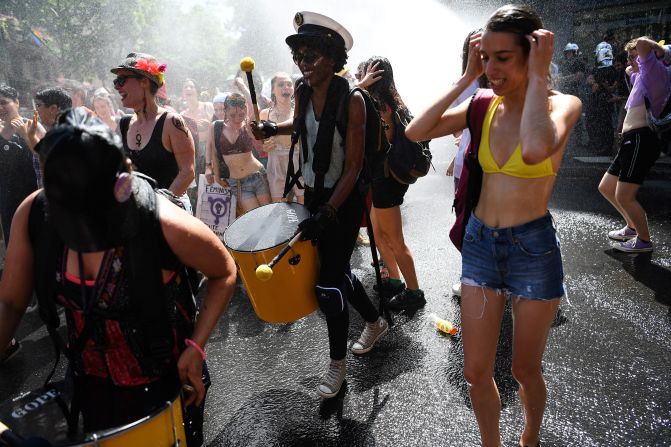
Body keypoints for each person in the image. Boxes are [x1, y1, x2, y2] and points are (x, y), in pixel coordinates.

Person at [0, 109, 236, 445]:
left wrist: (196, 349)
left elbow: (224, 270)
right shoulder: (34, 214)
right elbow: (9, 303)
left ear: (122, 180)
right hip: (88, 383)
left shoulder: (162, 222)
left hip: (167, 381)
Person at [405, 5, 582, 446]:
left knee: (524, 369)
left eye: (503, 57)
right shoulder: (482, 103)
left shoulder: (563, 105)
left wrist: (539, 75)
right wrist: (466, 80)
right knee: (475, 371)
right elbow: (415, 131)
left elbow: (538, 147)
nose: (491, 68)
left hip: (532, 250)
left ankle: (530, 437)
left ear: (532, 52)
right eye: (486, 56)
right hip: (481, 244)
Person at [252, 11, 389, 399]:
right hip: (313, 195)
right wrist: (271, 128)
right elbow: (302, 124)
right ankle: (375, 321)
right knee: (337, 269)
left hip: (342, 201)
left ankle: (337, 367)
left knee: (327, 284)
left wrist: (328, 212)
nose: (303, 62)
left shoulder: (355, 100)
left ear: (333, 57)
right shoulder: (302, 90)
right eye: (299, 55)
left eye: (311, 55)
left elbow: (354, 166)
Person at [355, 56, 424, 310]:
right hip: (383, 179)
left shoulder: (377, 105)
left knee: (395, 239)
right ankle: (395, 280)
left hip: (386, 182)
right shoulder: (391, 101)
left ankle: (415, 292)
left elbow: (373, 142)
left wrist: (360, 87)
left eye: (362, 71)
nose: (356, 74)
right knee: (378, 233)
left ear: (373, 75)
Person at [598, 37, 671, 253]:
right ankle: (631, 226)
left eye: (633, 56)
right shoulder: (639, 75)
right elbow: (631, 70)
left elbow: (642, 44)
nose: (629, 61)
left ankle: (644, 241)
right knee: (606, 187)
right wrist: (634, 62)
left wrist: (660, 51)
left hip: (642, 139)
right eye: (628, 57)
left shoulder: (656, 73)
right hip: (631, 140)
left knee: (624, 195)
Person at [112, 52, 196, 212]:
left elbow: (188, 171)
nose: (117, 86)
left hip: (170, 214)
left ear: (144, 81)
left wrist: (156, 208)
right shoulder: (123, 124)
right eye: (116, 81)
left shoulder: (171, 121)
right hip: (136, 215)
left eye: (122, 80)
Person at [446, 31, 489, 299]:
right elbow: (448, 123)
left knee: (489, 226)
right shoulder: (462, 85)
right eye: (476, 49)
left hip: (494, 170)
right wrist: (461, 143)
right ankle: (472, 274)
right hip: (466, 168)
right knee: (465, 226)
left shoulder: (500, 81)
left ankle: (488, 276)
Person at [0, 84, 40, 364]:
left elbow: (44, 157)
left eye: (4, 102)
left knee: (38, 247)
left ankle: (43, 293)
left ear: (17, 101)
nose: (1, 107)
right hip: (7, 204)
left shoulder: (31, 125)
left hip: (33, 201)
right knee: (16, 251)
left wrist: (27, 135)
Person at [206, 92, 271, 212]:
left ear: (246, 110)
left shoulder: (248, 126)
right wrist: (213, 172)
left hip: (258, 175)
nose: (237, 119)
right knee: (255, 217)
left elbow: (255, 108)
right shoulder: (216, 126)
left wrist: (242, 87)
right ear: (225, 111)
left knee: (268, 214)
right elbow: (214, 151)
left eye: (241, 115)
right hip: (238, 183)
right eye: (232, 115)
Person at [260, 72, 304, 204]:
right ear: (273, 90)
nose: (286, 87)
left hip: (298, 162)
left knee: (304, 207)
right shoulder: (265, 114)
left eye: (289, 84)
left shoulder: (301, 110)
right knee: (280, 209)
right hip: (276, 163)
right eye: (281, 85)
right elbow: (263, 143)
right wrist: (265, 146)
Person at [585, 41, 617, 155]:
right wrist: (594, 82)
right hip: (595, 100)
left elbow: (612, 86)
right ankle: (597, 145)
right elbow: (589, 79)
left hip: (606, 101)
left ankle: (606, 148)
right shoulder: (596, 67)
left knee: (605, 124)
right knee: (592, 122)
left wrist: (600, 84)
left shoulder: (612, 68)